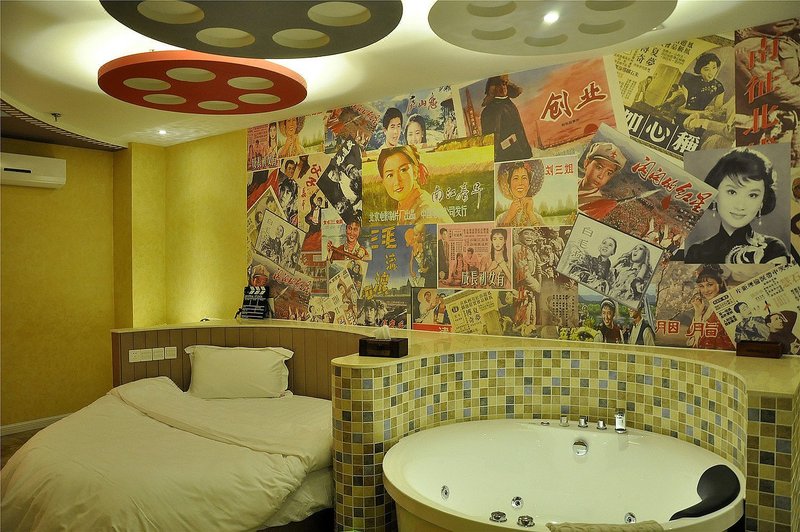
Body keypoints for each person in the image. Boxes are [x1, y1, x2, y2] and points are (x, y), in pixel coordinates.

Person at [684, 148, 789, 265]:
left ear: (762, 202)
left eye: (753, 195)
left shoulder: (773, 249)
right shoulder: (697, 252)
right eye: (732, 192)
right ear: (715, 195)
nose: (740, 206)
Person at [377, 145, 453, 225]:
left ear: (415, 172)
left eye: (403, 170)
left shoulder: (426, 210)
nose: (397, 181)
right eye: (390, 175)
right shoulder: (405, 206)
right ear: (383, 181)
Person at [480, 75, 532, 162]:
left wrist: (526, 151)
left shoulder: (509, 103)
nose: (502, 87)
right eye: (498, 85)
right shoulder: (489, 110)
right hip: (505, 155)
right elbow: (491, 137)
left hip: (520, 151)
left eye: (504, 84)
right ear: (492, 89)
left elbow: (519, 129)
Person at [686, 265, 735, 350]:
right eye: (701, 286)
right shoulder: (704, 308)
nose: (705, 290)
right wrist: (698, 314)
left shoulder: (728, 308)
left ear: (720, 283)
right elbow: (692, 341)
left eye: (710, 285)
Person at [578, 142, 627, 211]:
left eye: (608, 173)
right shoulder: (571, 180)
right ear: (586, 163)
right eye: (599, 167)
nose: (601, 176)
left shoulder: (596, 205)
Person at [495, 160, 546, 227]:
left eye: (524, 178)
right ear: (509, 185)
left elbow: (542, 233)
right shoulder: (500, 218)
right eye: (516, 178)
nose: (520, 183)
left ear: (529, 185)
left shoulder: (537, 218)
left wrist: (530, 213)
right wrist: (509, 216)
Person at [512, 228, 541, 327]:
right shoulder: (518, 249)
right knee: (523, 321)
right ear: (519, 235)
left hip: (529, 288)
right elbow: (524, 273)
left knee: (530, 319)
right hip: (521, 289)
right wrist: (538, 287)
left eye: (531, 234)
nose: (529, 236)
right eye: (526, 233)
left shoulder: (528, 249)